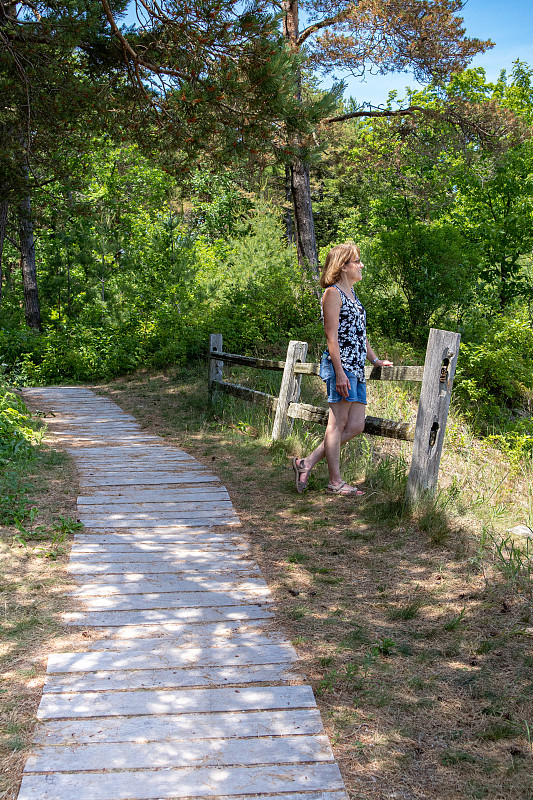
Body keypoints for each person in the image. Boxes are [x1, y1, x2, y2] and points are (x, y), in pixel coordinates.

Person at [292, 242, 393, 496]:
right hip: (342, 366)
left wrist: (375, 360)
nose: (361, 265)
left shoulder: (353, 296)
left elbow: (361, 334)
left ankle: (307, 462)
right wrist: (338, 372)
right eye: (356, 261)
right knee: (336, 424)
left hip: (357, 368)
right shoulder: (333, 294)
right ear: (343, 266)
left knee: (356, 425)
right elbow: (331, 337)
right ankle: (334, 482)